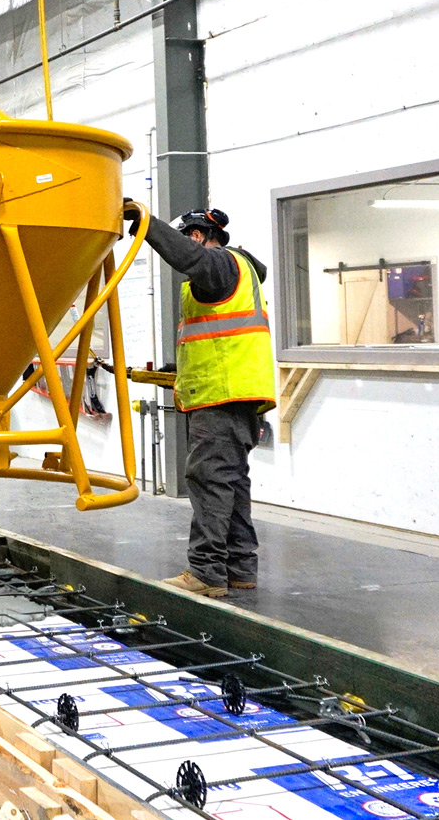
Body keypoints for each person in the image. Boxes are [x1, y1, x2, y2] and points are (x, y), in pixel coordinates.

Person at [124, 206, 275, 598]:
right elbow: (216, 341)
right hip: (237, 396)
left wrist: (144, 223)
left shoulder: (221, 268)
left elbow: (189, 257)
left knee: (208, 481)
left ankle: (206, 572)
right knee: (232, 484)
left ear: (195, 236)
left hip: (219, 399)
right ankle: (240, 567)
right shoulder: (237, 278)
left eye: (188, 237)